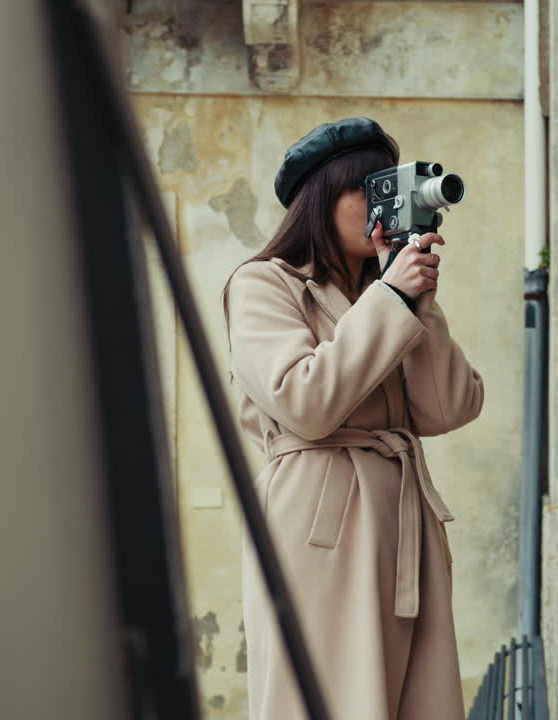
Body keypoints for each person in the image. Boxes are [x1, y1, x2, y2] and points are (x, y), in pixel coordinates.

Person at [221, 117, 484, 720]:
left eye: (389, 189)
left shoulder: (383, 293)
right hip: (320, 522)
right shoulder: (262, 284)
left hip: (405, 521)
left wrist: (417, 302)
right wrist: (390, 300)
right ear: (320, 202)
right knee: (330, 697)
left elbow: (450, 408)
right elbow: (305, 403)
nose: (382, 207)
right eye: (367, 191)